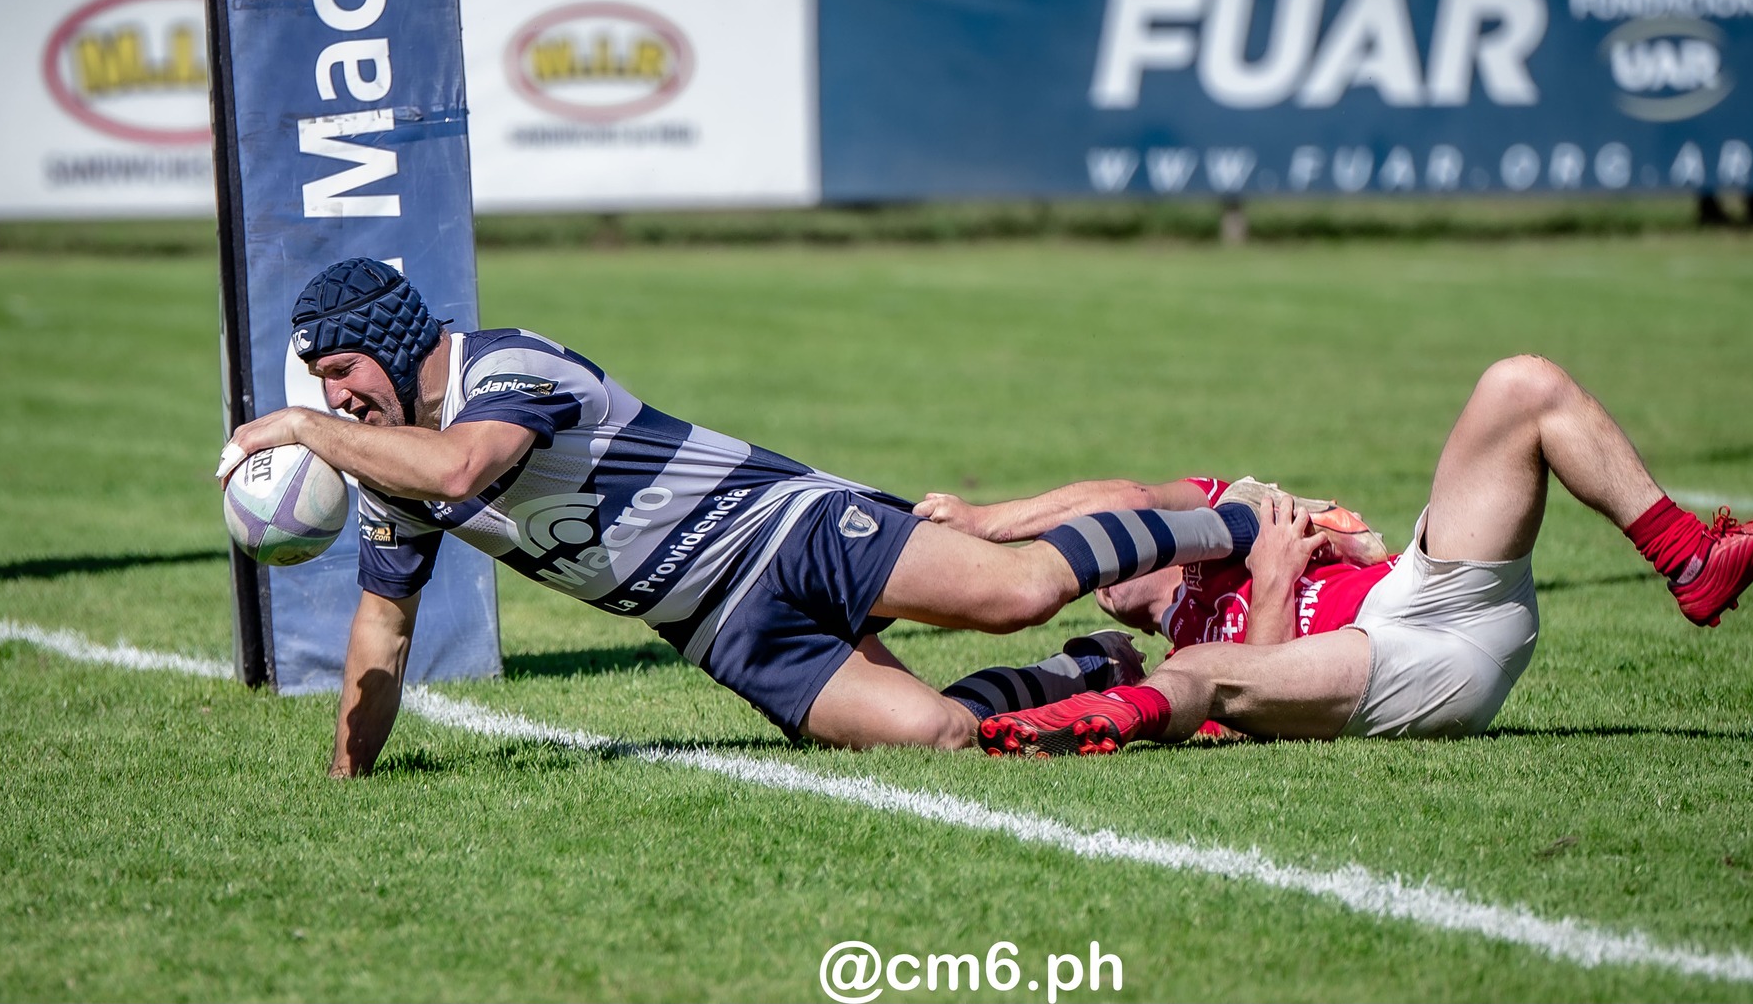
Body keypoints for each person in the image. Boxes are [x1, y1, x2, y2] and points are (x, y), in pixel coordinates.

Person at [222, 258, 1267, 773]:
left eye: (343, 372)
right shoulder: (389, 471)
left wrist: (304, 431)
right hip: (720, 626)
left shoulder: (508, 367)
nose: (336, 400)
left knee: (1015, 590)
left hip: (776, 525)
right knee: (940, 735)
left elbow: (463, 465)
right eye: (320, 387)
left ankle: (1237, 525)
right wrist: (347, 779)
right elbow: (383, 628)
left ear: (394, 342)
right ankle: (1089, 670)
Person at [950, 355, 1753, 756]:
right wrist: (1275, 583)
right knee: (1205, 673)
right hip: (1397, 671)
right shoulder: (1184, 646)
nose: (1106, 569)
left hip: (1428, 592)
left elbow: (1134, 496)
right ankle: (1087, 725)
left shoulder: (1229, 519)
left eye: (1104, 553)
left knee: (1522, 386)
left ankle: (1688, 558)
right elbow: (1253, 711)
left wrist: (991, 522)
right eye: (1097, 570)